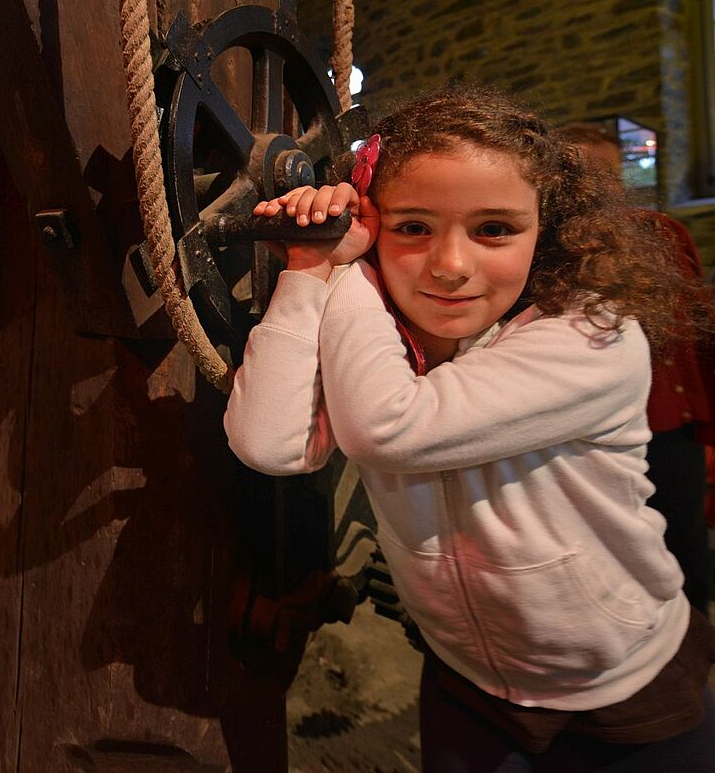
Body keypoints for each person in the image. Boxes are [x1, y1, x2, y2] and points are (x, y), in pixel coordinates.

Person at [225, 86, 715, 771]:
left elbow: (390, 427)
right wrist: (310, 270)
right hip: (467, 678)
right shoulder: (380, 331)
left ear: (548, 229)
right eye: (412, 227)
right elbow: (269, 444)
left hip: (622, 680)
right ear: (375, 224)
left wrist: (350, 273)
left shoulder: (594, 334)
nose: (451, 266)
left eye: (493, 230)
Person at [555, 122, 715, 616]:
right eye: (583, 175)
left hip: (670, 424)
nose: (599, 188)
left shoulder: (661, 233)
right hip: (596, 432)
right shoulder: (548, 246)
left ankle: (694, 646)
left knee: (684, 543)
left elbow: (694, 327)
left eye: (609, 175)